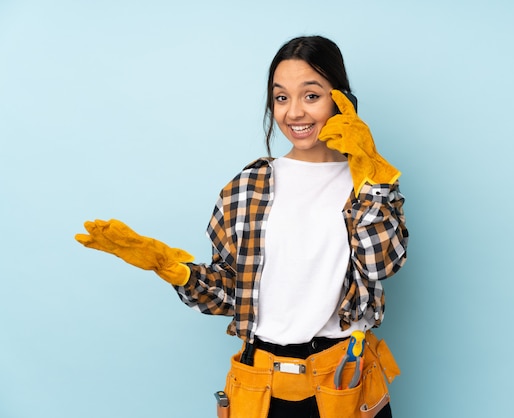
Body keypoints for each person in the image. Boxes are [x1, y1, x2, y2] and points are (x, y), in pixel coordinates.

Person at [76, 35, 409, 418]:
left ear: (341, 100)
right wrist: (176, 271)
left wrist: (374, 177)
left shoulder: (370, 183)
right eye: (281, 97)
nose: (294, 112)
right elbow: (232, 293)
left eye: (311, 95)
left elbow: (381, 264)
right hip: (260, 387)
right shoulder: (247, 187)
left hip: (343, 382)